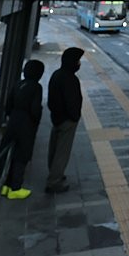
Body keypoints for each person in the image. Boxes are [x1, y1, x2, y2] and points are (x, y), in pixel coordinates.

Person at [1, 59, 45, 200]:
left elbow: (8, 105)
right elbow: (35, 109)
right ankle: (15, 188)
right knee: (21, 155)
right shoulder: (36, 87)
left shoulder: (18, 84)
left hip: (13, 120)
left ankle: (4, 185)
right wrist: (35, 121)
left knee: (9, 152)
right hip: (26, 124)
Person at [44, 47, 84, 193]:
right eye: (78, 61)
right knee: (62, 152)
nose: (79, 64)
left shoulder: (57, 74)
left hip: (56, 118)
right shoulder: (70, 79)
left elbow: (51, 100)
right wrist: (75, 117)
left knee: (54, 148)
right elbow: (72, 102)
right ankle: (54, 181)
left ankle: (54, 173)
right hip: (67, 120)